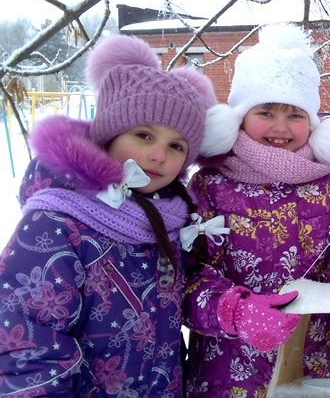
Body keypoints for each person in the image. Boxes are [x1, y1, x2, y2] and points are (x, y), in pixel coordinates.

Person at [182, 23, 330, 396]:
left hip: (313, 357)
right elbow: (188, 278)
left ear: (312, 123)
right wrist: (234, 311)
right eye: (266, 112)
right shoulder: (211, 186)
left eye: (295, 115)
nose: (280, 127)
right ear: (239, 116)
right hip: (229, 368)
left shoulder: (329, 185)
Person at [0, 35, 218, 396]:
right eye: (144, 135)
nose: (159, 155)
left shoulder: (173, 221)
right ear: (109, 134)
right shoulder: (56, 224)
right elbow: (23, 342)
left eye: (176, 146)